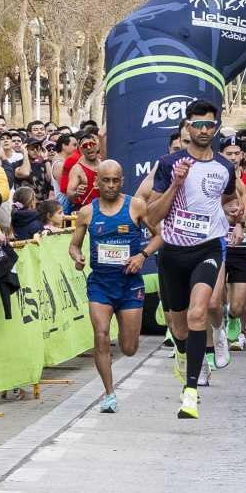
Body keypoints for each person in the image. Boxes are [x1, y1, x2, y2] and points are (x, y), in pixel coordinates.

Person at [146, 101, 240, 421]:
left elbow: (229, 198)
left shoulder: (225, 167)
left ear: (216, 128)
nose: (203, 131)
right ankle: (184, 355)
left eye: (209, 125)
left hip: (208, 249)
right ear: (188, 127)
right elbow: (152, 215)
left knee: (199, 312)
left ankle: (190, 392)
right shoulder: (169, 163)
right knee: (179, 325)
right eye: (197, 125)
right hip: (172, 251)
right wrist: (176, 183)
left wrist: (233, 213)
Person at [69, 160, 158, 413]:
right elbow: (74, 245)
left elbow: (160, 235)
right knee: (101, 335)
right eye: (105, 180)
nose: (110, 186)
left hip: (129, 285)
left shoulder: (136, 206)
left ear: (121, 181)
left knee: (129, 348)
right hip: (100, 284)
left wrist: (142, 255)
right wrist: (77, 257)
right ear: (97, 181)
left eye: (115, 180)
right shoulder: (87, 212)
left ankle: (123, 341)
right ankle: (109, 394)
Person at [65, 130, 101, 208]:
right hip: (86, 211)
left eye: (91, 144)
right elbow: (69, 194)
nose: (89, 147)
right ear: (81, 150)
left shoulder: (103, 164)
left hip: (105, 210)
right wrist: (76, 193)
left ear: (97, 146)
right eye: (85, 146)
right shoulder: (77, 169)